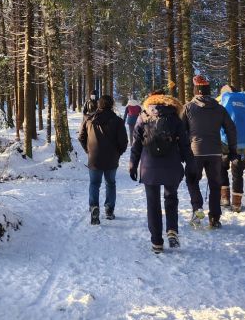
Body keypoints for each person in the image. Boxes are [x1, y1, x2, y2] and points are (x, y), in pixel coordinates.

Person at [129, 90, 193, 253]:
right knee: (171, 197)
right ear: (167, 101)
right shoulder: (175, 117)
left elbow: (136, 144)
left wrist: (133, 165)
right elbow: (185, 144)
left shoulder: (143, 117)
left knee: (153, 203)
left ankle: (157, 242)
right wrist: (191, 163)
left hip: (149, 167)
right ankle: (172, 230)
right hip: (172, 165)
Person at [183, 75, 237, 228]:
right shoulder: (219, 108)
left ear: (196, 91)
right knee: (215, 185)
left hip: (195, 153)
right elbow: (231, 128)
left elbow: (181, 130)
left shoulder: (188, 107)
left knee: (192, 180)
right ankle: (215, 218)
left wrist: (183, 149)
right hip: (215, 153)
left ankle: (197, 207)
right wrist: (232, 149)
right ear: (208, 91)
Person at [78, 94, 128, 225]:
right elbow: (124, 141)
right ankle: (109, 209)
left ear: (98, 104)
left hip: (94, 157)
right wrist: (118, 153)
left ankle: (94, 206)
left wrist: (88, 150)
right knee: (110, 183)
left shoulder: (88, 119)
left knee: (94, 183)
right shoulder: (117, 121)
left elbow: (81, 137)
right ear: (111, 105)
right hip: (111, 158)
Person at [219, 84, 245, 212]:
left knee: (222, 168)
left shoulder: (224, 103)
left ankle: (224, 199)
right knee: (238, 174)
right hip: (243, 144)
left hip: (225, 143)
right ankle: (236, 204)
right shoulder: (244, 104)